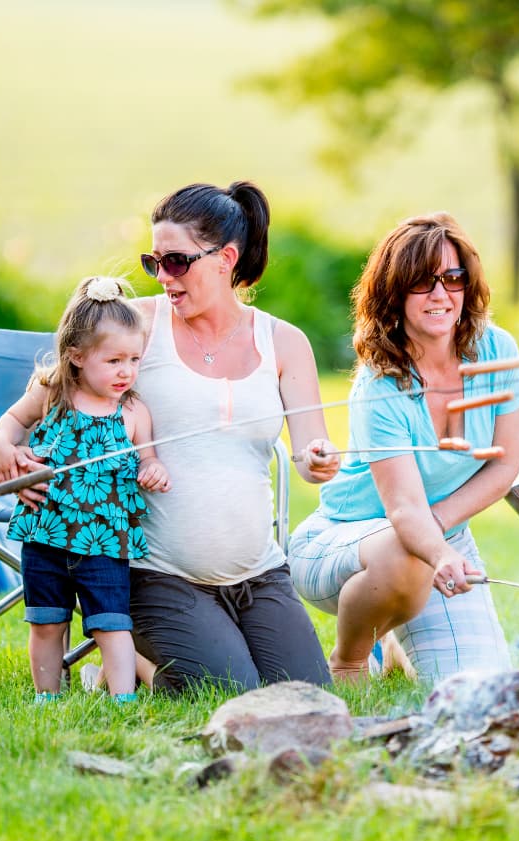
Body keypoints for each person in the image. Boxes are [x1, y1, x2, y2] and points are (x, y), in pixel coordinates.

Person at [288, 212, 519, 683]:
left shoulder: (495, 349)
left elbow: (506, 465)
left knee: (481, 690)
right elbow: (404, 511)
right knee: (402, 553)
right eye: (421, 282)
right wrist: (433, 549)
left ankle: (395, 637)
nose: (440, 295)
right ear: (394, 293)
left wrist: (439, 543)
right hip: (344, 541)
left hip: (436, 538)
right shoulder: (378, 383)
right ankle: (353, 659)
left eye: (452, 278)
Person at [128, 181, 340, 692]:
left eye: (176, 261)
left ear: (224, 259)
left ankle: (183, 650)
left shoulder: (284, 341)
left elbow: (311, 452)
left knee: (305, 695)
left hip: (258, 574)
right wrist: (7, 443)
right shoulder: (135, 325)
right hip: (158, 573)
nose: (163, 277)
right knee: (231, 690)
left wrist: (318, 460)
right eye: (152, 262)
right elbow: (55, 400)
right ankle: (132, 661)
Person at [0, 276, 171, 703]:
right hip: (45, 532)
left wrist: (154, 468)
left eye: (134, 359)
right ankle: (47, 696)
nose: (126, 371)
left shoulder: (132, 411)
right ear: (75, 356)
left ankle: (123, 697)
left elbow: (149, 457)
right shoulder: (52, 393)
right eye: (113, 361)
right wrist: (2, 445)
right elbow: (11, 422)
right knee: (47, 622)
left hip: (105, 539)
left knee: (112, 623)